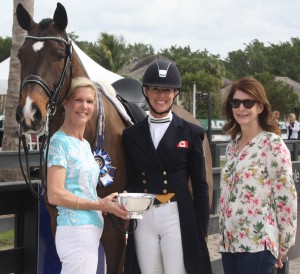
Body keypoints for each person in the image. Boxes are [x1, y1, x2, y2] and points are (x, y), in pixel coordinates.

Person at [122, 60, 212, 274]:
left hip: (176, 214)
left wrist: (201, 229)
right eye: (155, 89)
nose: (161, 95)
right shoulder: (131, 134)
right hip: (145, 215)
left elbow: (200, 185)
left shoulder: (191, 133)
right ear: (145, 91)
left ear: (175, 93)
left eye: (167, 90)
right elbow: (133, 179)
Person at [46, 77, 128, 274]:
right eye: (78, 100)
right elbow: (55, 195)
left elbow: (81, 192)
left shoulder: (83, 144)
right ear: (65, 103)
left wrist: (109, 204)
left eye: (89, 101)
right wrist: (99, 205)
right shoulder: (59, 142)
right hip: (75, 233)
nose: (84, 106)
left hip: (88, 231)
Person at [219, 77, 297, 274]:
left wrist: (284, 243)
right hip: (229, 242)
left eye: (248, 102)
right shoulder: (231, 148)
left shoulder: (272, 144)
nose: (241, 108)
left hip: (258, 243)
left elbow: (286, 197)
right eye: (235, 103)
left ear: (260, 107)